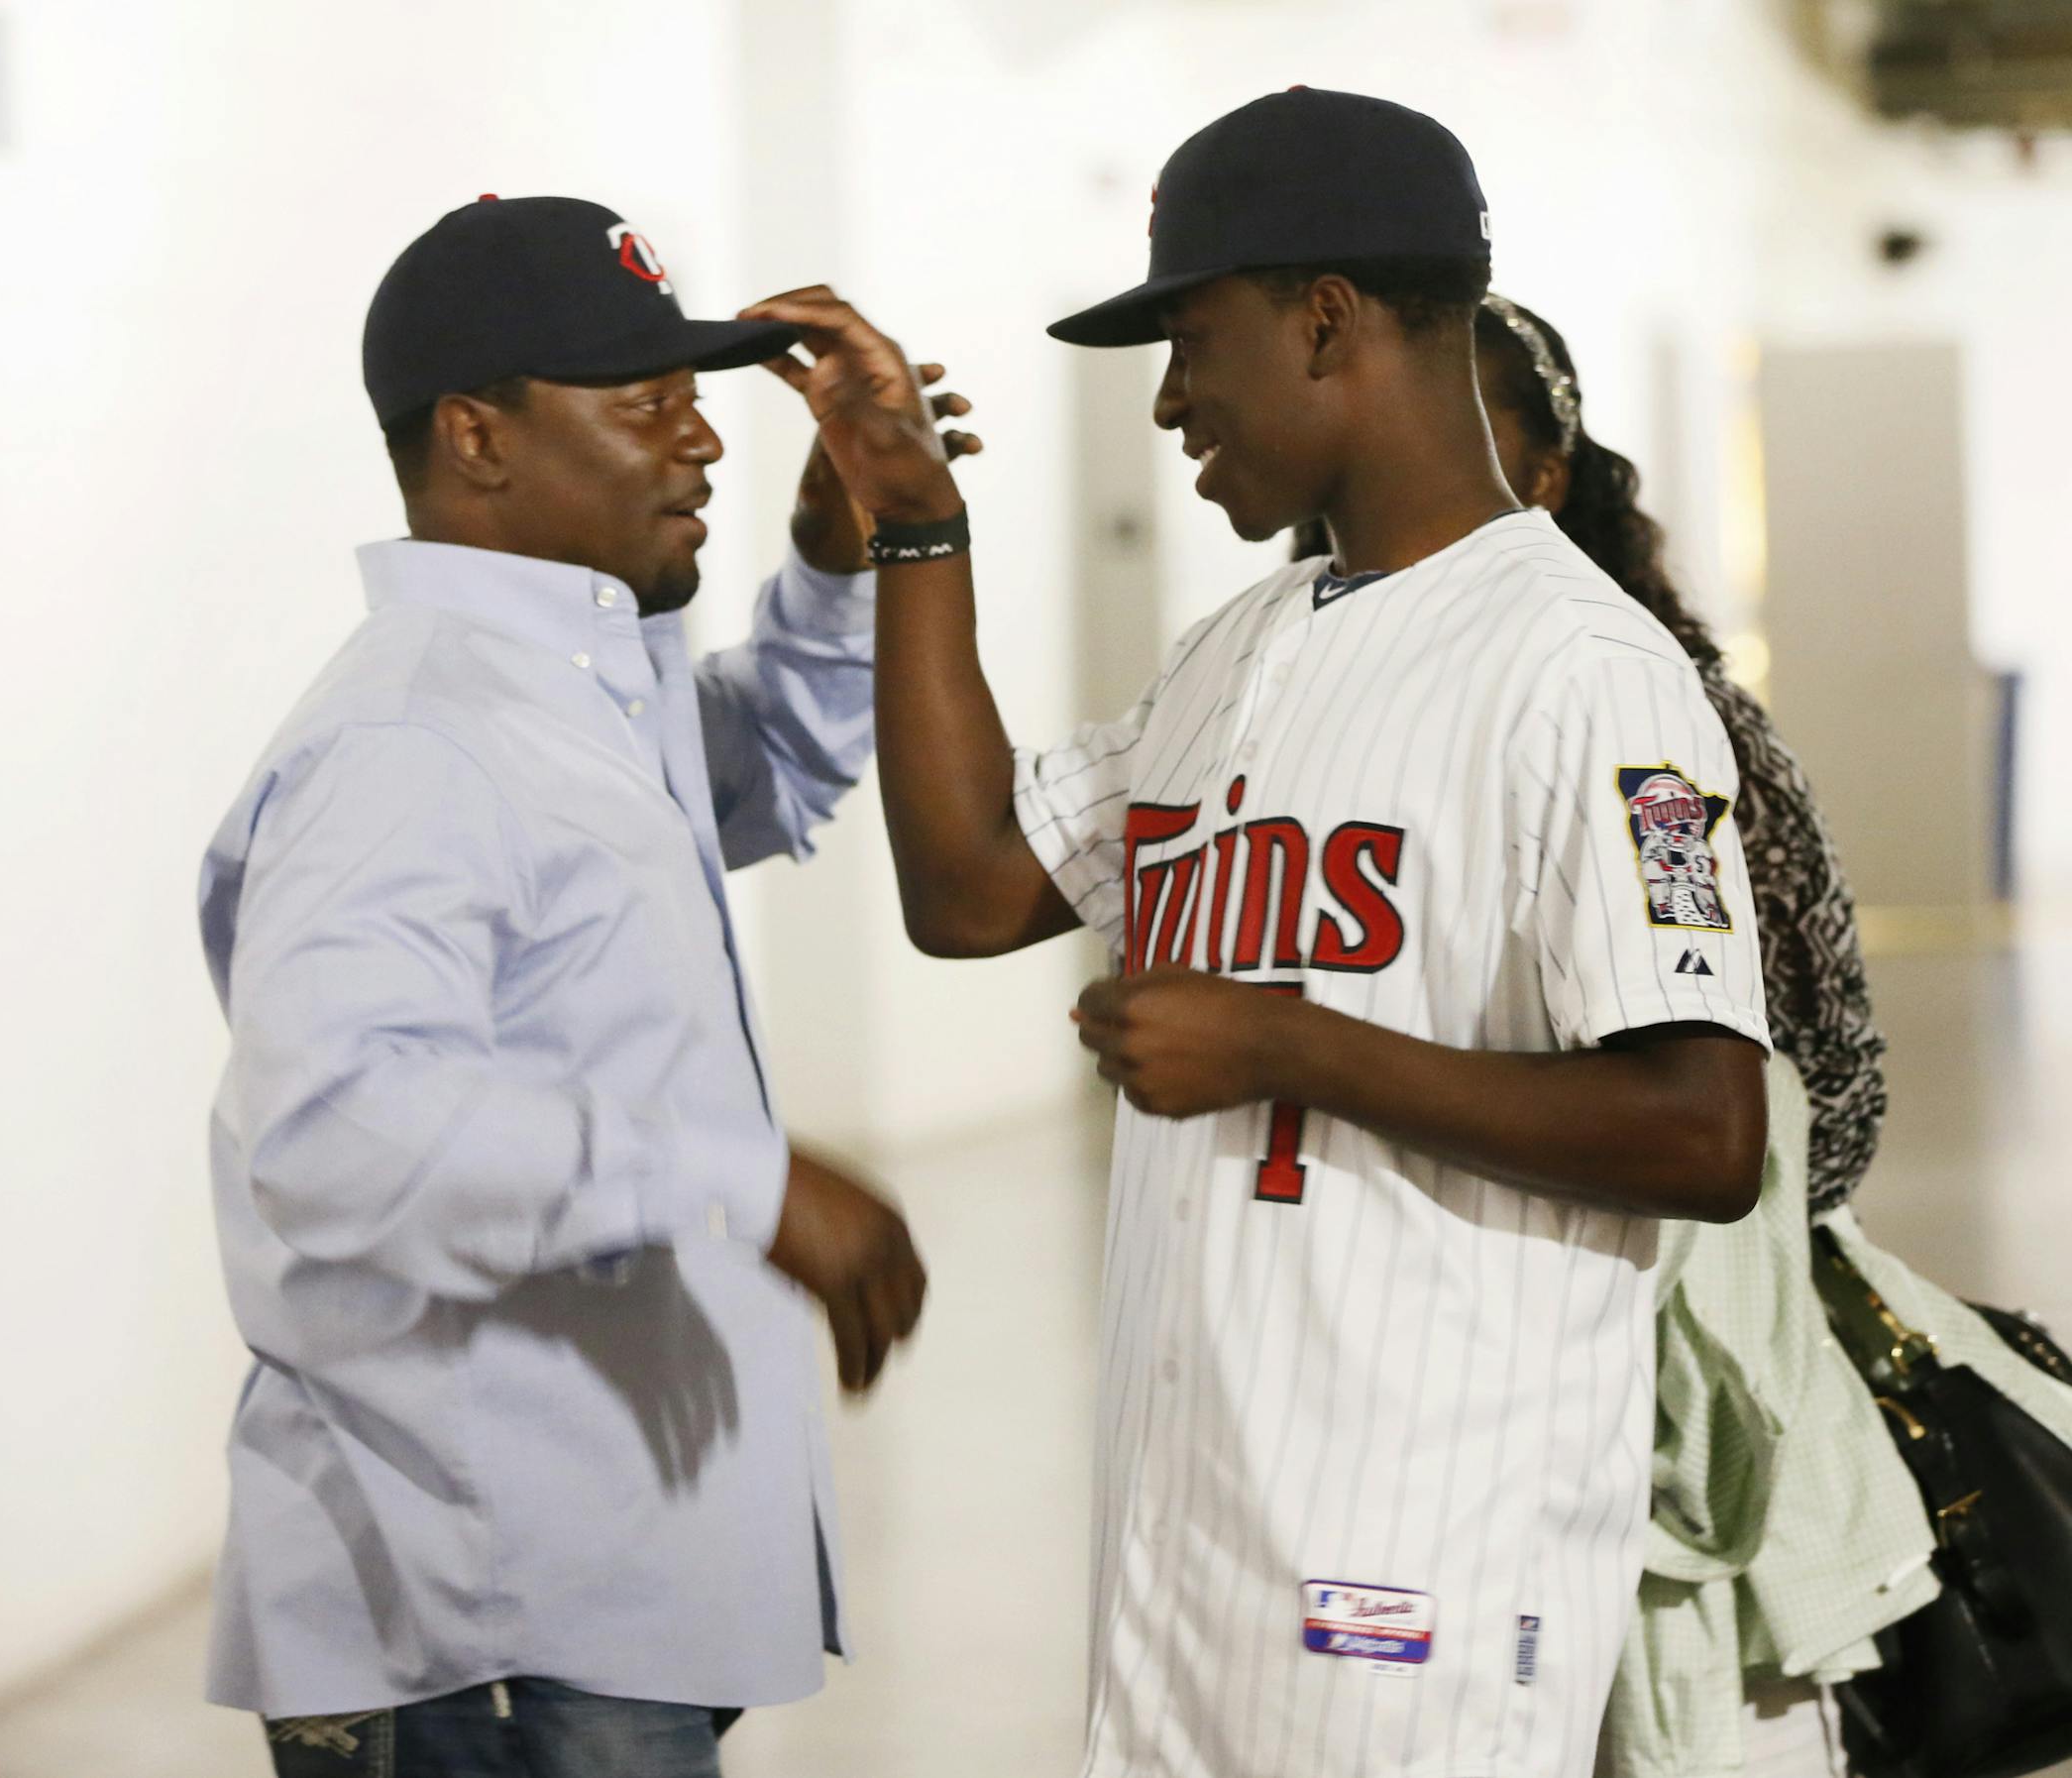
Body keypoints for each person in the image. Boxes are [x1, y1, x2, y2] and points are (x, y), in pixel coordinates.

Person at [744, 90, 1771, 1778]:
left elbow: (1704, 1126)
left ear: (1324, 317)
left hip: (1423, 1579)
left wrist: (1292, 1041)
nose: (1166, 398)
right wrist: (916, 516)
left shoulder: (1581, 671)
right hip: (1196, 1542)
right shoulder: (1244, 643)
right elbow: (975, 885)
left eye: (1188, 337)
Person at [198, 194, 945, 1777]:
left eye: (696, 397)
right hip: (477, 1634)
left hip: (588, 1595)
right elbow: (339, 1122)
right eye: (645, 402)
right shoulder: (410, 738)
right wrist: (741, 1177)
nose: (706, 445)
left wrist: (830, 560)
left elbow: (778, 763)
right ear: (477, 436)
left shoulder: (571, 689)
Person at [1453, 294, 1890, 1774]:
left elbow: (1816, 1085)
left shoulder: (1657, 713)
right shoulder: (1323, 712)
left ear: (1552, 477)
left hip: (1662, 1377)